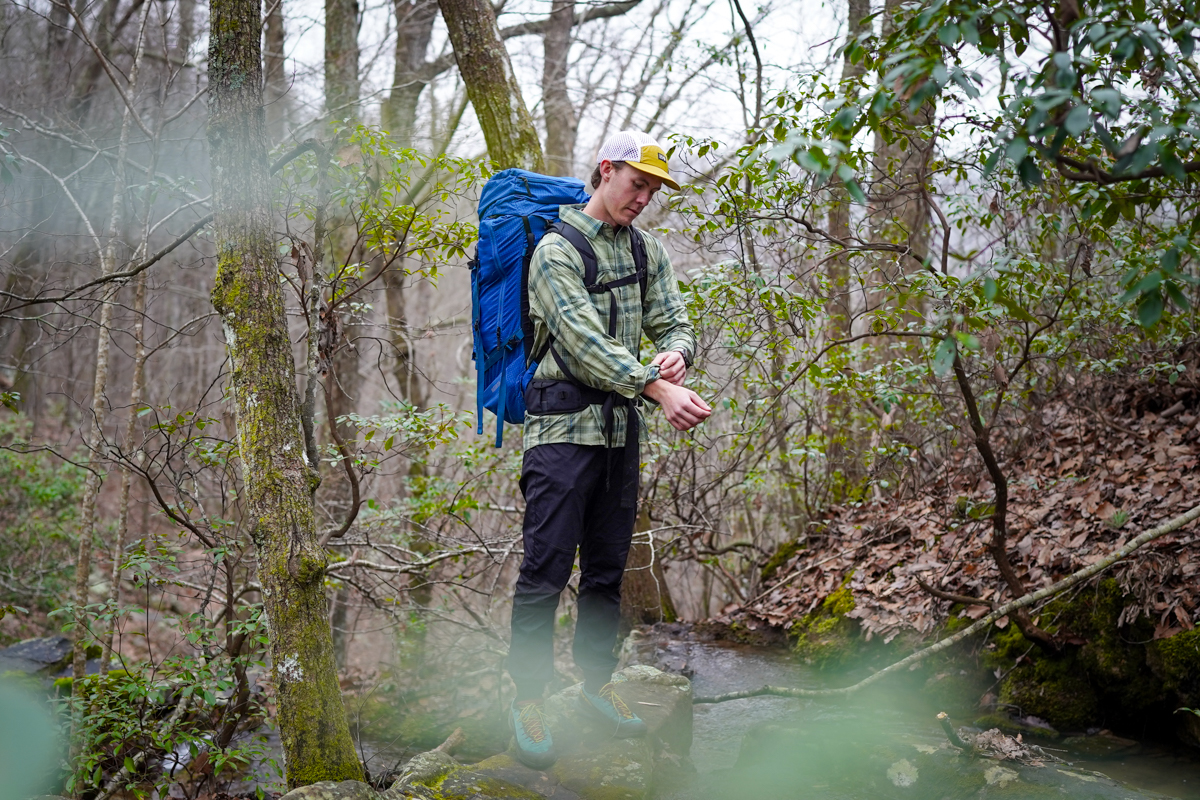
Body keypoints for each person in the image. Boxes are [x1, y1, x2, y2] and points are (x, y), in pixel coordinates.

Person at [506, 131, 712, 769]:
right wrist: (658, 389)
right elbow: (583, 345)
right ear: (605, 172)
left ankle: (595, 683)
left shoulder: (647, 251)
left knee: (604, 572)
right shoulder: (555, 252)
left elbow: (675, 318)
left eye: (653, 188)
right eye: (636, 183)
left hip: (621, 435)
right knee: (544, 570)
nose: (644, 198)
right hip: (561, 436)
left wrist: (679, 349)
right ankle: (529, 698)